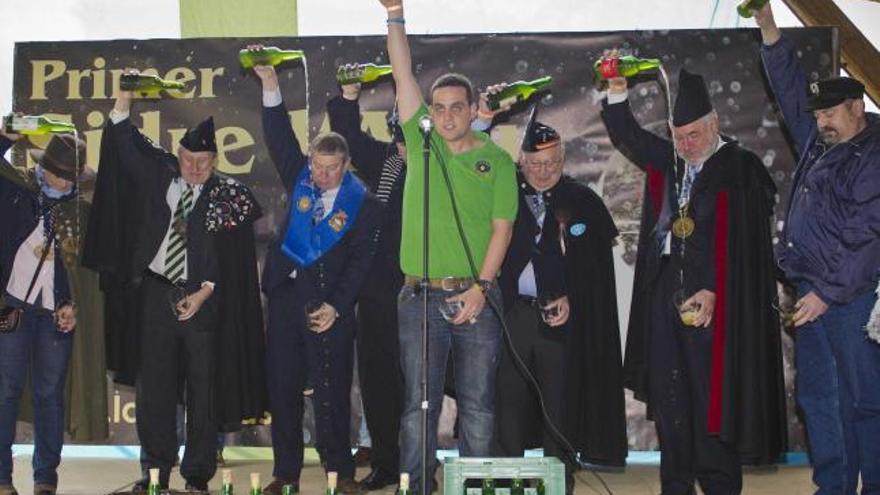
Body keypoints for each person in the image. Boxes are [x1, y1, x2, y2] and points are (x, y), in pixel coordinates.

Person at [601, 64, 787, 494]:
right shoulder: (671, 160)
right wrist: (615, 91)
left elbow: (746, 254)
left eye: (694, 136)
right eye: (679, 136)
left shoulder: (740, 169)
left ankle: (720, 484)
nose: (686, 145)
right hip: (665, 292)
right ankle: (677, 484)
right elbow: (627, 133)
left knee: (712, 398)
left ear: (715, 124)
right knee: (671, 398)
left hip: (717, 301)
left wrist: (715, 289)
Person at [95, 69, 266, 494]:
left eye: (202, 162)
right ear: (179, 154)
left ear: (214, 162)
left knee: (203, 393)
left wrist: (204, 293)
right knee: (153, 392)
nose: (194, 168)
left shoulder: (228, 198)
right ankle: (155, 473)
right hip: (155, 295)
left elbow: (236, 267)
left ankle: (196, 477)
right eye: (188, 159)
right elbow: (121, 142)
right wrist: (123, 100)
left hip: (203, 302)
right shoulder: (159, 176)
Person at [377, 1, 519, 492]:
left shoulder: (498, 162)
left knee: (477, 405)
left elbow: (502, 229)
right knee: (419, 406)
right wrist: (395, 13)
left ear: (473, 108)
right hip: (418, 297)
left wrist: (482, 287)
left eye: (456, 106)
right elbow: (402, 72)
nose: (446, 115)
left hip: (477, 296)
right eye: (438, 108)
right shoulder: (421, 145)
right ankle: (416, 486)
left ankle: (473, 486)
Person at [755, 3, 880, 493]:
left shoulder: (873, 155)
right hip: (812, 290)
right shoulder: (821, 140)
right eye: (818, 113)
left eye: (831, 112)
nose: (822, 121)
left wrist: (827, 292)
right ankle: (833, 487)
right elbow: (788, 89)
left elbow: (867, 234)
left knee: (864, 400)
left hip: (850, 297)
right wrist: (768, 25)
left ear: (857, 107)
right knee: (819, 400)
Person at [250, 50, 380, 495]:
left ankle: (339, 472)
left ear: (345, 167)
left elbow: (361, 262)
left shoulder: (362, 204)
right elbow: (279, 137)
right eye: (316, 167)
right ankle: (285, 472)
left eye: (330, 169)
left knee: (332, 392)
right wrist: (270, 83)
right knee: (283, 390)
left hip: (332, 307)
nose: (321, 176)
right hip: (286, 300)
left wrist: (336, 308)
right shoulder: (300, 177)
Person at [494, 108, 626, 494]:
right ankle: (506, 484)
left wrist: (574, 298)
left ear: (563, 160)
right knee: (509, 406)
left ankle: (558, 484)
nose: (542, 170)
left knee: (561, 405)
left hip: (562, 323)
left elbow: (596, 273)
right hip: (513, 317)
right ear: (522, 161)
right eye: (534, 163)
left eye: (551, 162)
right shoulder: (503, 196)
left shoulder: (583, 201)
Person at [0, 130, 103, 495]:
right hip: (12, 307)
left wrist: (74, 306)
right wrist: (4, 138)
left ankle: (46, 478)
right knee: (5, 391)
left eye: (69, 175)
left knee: (49, 394)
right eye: (57, 171)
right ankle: (2, 478)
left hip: (55, 315)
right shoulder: (15, 192)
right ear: (44, 167)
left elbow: (85, 272)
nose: (62, 180)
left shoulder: (81, 211)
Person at [327, 67, 407, 491]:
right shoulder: (386, 161)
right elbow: (349, 137)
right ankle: (387, 463)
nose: (401, 141)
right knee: (377, 381)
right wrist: (349, 94)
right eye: (397, 133)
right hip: (377, 291)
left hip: (423, 290)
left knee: (419, 386)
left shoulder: (443, 168)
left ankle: (418, 464)